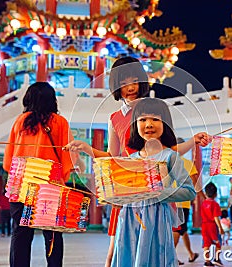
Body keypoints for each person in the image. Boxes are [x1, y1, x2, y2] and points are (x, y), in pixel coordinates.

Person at [64, 56, 210, 267]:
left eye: (134, 80)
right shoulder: (114, 118)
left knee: (150, 249)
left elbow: (167, 152)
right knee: (117, 251)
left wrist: (192, 141)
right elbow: (114, 158)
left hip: (154, 189)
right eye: (123, 83)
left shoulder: (153, 110)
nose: (130, 87)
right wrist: (87, 149)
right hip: (128, 188)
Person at [109, 97, 196, 266]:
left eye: (155, 119)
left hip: (156, 220)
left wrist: (159, 194)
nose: (149, 124)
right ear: (135, 125)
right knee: (128, 257)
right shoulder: (130, 159)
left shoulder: (170, 156)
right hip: (128, 219)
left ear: (166, 125)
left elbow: (189, 190)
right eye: (142, 120)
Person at [3, 82, 76, 267]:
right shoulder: (60, 122)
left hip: (21, 187)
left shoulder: (21, 121)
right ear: (52, 100)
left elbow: (9, 161)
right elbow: (68, 156)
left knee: (20, 233)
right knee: (52, 234)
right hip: (50, 187)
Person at [173, 137, 199, 265]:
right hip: (182, 202)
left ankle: (191, 253)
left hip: (170, 202)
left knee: (182, 229)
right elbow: (194, 182)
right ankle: (171, 256)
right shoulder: (188, 163)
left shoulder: (168, 162)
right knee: (178, 230)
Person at [201, 182, 223, 267]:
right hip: (213, 227)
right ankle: (217, 259)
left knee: (206, 243)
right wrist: (220, 228)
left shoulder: (203, 203)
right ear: (216, 194)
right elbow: (216, 217)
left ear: (205, 193)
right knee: (218, 242)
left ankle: (207, 261)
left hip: (204, 226)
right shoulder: (215, 204)